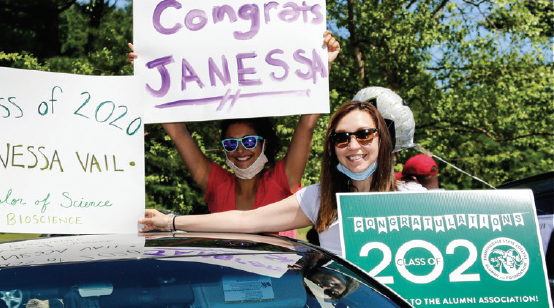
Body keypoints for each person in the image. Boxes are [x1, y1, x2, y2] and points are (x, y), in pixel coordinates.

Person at [139, 100, 425, 255]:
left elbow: (306, 123)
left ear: (382, 140)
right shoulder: (319, 198)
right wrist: (170, 221)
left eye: (364, 135)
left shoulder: (416, 198)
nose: (353, 145)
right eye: (341, 138)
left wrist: (320, 69)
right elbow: (244, 220)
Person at [128, 31, 341, 238]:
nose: (240, 150)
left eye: (249, 141)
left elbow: (306, 126)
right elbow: (179, 134)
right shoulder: (217, 185)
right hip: (225, 274)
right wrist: (148, 75)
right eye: (231, 143)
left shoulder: (281, 180)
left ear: (264, 144)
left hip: (278, 274)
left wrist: (324, 65)